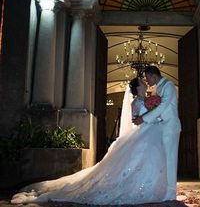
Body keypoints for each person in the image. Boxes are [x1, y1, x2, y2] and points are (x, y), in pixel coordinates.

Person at [11, 78, 167, 205]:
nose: (146, 82)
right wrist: (152, 118)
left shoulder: (148, 100)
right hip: (143, 135)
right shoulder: (136, 103)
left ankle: (151, 186)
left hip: (150, 134)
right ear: (138, 86)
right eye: (142, 81)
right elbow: (136, 121)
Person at [133, 66, 181, 201]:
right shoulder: (157, 88)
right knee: (164, 160)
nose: (146, 81)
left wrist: (143, 118)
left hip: (170, 127)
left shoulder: (169, 86)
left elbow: (163, 106)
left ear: (154, 75)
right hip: (161, 127)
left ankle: (171, 193)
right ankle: (164, 188)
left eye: (147, 77)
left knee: (170, 159)